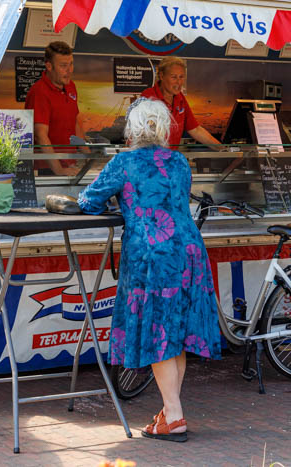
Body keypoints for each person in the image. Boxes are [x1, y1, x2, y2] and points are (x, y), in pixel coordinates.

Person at [77, 98, 220, 442]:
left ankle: (174, 414)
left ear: (132, 129)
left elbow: (88, 201)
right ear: (165, 127)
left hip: (152, 255)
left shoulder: (123, 162)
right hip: (189, 250)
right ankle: (170, 412)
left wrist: (118, 203)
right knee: (176, 331)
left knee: (160, 331)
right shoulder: (180, 162)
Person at [25, 41, 82, 176]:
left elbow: (75, 123)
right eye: (63, 66)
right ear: (49, 66)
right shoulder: (39, 91)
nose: (69, 70)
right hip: (47, 168)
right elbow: (40, 135)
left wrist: (89, 156)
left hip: (71, 163)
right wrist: (59, 170)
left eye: (71, 64)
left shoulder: (71, 86)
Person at [141, 56, 222, 148]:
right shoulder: (148, 98)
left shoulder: (180, 98)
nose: (179, 82)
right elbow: (145, 139)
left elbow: (195, 130)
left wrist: (223, 150)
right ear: (162, 76)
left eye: (181, 77)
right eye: (174, 77)